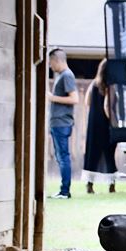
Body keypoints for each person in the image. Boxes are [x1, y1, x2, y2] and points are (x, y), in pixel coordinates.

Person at [82, 59, 118, 194]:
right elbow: (107, 106)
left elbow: (87, 102)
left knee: (92, 154)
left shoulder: (94, 84)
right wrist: (114, 124)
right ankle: (111, 186)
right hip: (105, 123)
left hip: (93, 123)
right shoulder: (110, 85)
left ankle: (89, 185)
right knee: (109, 154)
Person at [47, 48, 78, 199]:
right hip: (57, 123)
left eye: (51, 62)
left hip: (62, 123)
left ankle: (65, 191)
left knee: (63, 157)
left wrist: (52, 98)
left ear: (57, 60)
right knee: (61, 157)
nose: (50, 66)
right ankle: (63, 190)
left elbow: (74, 99)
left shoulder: (67, 75)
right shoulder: (62, 76)